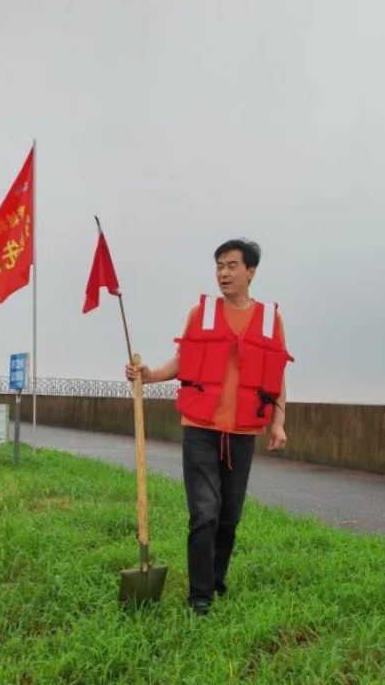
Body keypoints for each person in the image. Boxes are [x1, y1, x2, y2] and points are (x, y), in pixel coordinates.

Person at [125, 239, 292, 615]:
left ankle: (215, 581)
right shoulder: (200, 314)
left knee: (230, 515)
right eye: (219, 266)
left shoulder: (270, 320)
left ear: (251, 272)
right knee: (204, 511)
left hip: (243, 434)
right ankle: (199, 597)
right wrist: (149, 375)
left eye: (232, 266)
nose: (223, 273)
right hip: (201, 428)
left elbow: (275, 374)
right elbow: (183, 360)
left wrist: (279, 422)